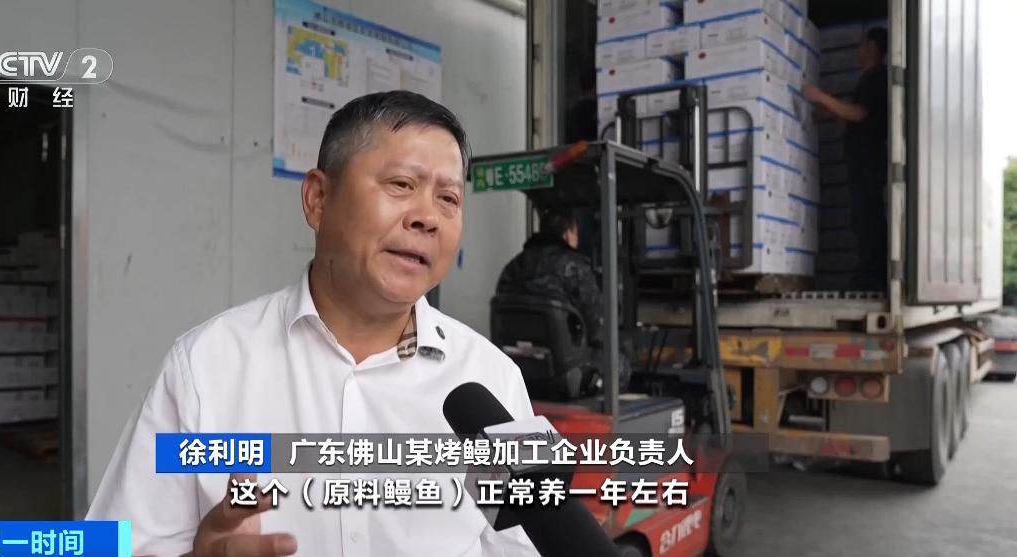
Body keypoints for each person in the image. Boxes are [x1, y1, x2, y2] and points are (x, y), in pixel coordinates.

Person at [86, 91, 540, 557]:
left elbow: (529, 547)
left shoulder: (494, 379)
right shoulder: (204, 367)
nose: (427, 217)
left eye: (449, 198)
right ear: (318, 199)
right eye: (401, 184)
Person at [496, 208, 631, 389]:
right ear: (568, 234)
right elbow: (597, 328)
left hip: (517, 365)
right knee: (621, 358)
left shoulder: (512, 267)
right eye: (576, 233)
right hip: (566, 370)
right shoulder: (574, 267)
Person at [802, 26, 889, 289]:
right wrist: (824, 113)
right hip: (863, 164)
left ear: (872, 46)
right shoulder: (868, 79)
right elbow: (853, 110)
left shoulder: (877, 77)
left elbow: (860, 113)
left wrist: (820, 97)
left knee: (868, 220)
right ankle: (868, 274)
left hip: (868, 165)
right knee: (862, 219)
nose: (857, 51)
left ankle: (870, 278)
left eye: (860, 45)